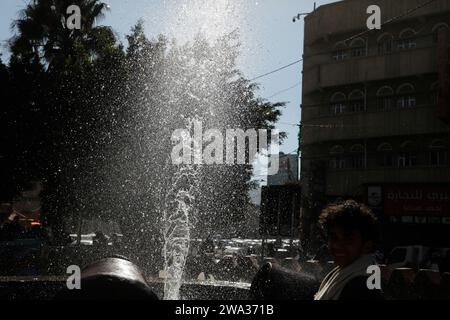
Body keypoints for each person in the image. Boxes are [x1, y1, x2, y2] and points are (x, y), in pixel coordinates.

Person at [314, 200, 384, 300]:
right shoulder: (344, 274)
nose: (338, 246)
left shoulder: (361, 286)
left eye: (348, 240)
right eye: (334, 238)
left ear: (366, 246)